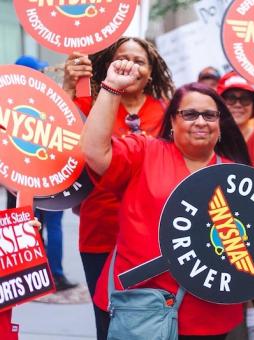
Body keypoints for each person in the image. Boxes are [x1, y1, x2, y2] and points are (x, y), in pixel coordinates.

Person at [80, 59, 254, 339]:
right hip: (141, 309)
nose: (201, 121)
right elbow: (93, 152)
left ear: (220, 126)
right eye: (190, 114)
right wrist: (111, 87)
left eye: (210, 116)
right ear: (172, 121)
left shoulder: (238, 178)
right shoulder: (144, 151)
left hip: (210, 318)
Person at [62, 36, 175, 339]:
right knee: (106, 319)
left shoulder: (169, 114)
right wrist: (68, 87)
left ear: (150, 72)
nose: (129, 65)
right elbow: (57, 137)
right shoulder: (90, 106)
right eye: (121, 58)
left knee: (146, 318)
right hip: (99, 233)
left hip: (149, 240)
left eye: (139, 61)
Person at [12, 55, 78, 291]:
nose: (41, 76)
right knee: (38, 225)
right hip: (41, 176)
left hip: (26, 177)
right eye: (37, 72)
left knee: (30, 225)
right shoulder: (45, 100)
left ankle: (32, 276)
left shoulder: (9, 101)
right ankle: (46, 275)